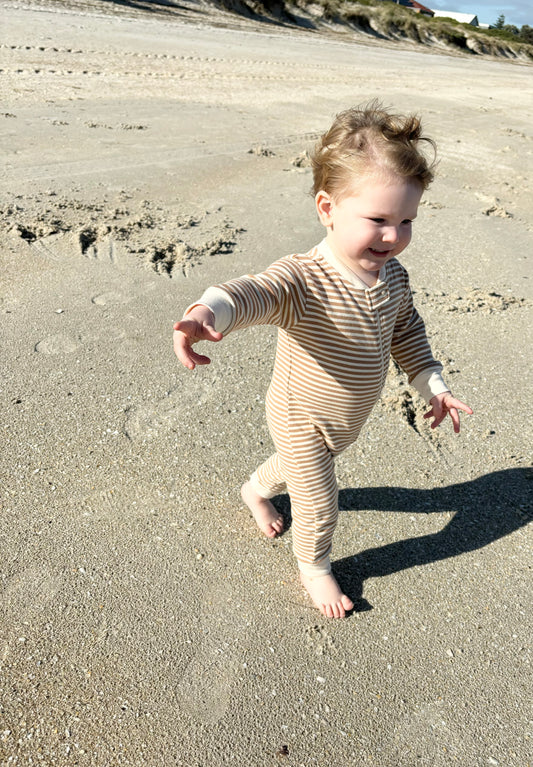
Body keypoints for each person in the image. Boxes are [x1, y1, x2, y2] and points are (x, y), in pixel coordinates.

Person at [173, 102, 472, 619]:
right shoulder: (304, 279)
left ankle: (254, 489)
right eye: (378, 219)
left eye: (406, 221)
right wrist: (208, 311)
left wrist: (433, 385)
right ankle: (314, 566)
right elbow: (254, 291)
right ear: (327, 208)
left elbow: (408, 333)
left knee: (294, 471)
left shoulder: (393, 278)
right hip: (299, 413)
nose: (393, 236)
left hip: (343, 419)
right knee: (318, 499)